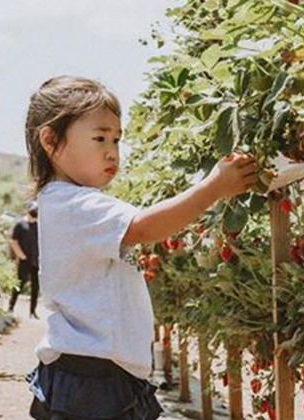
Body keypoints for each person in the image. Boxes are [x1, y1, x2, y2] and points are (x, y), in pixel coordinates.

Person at [22, 76, 257, 420]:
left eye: (116, 139)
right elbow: (145, 226)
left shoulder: (67, 202)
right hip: (94, 379)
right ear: (51, 140)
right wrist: (214, 187)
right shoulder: (75, 204)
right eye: (99, 137)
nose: (111, 151)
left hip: (96, 373)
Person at [9, 201, 40, 318]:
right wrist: (21, 256)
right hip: (24, 260)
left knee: (35, 287)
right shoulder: (20, 224)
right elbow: (13, 241)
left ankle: (33, 311)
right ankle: (10, 307)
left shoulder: (38, 225)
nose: (36, 212)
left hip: (36, 261)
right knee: (19, 284)